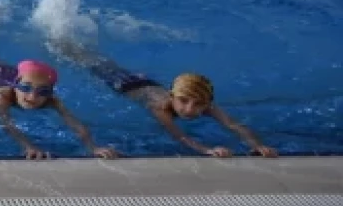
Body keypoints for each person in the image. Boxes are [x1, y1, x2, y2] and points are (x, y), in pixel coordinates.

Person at [55, 45, 277, 158]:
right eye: (183, 101)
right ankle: (63, 46)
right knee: (91, 63)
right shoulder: (160, 108)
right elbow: (180, 136)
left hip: (146, 82)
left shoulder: (205, 104)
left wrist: (257, 145)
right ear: (172, 97)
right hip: (124, 84)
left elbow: (233, 125)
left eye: (198, 104)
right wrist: (207, 150)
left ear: (206, 102)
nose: (189, 109)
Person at [0, 32, 117, 159]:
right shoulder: (1, 96)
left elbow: (73, 122)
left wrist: (93, 147)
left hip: (2, 71)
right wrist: (28, 146)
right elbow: (7, 124)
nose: (32, 97)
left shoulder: (50, 99)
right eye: (25, 88)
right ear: (16, 84)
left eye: (43, 91)